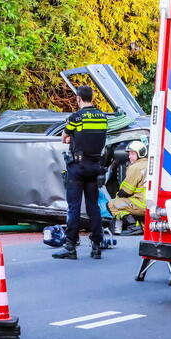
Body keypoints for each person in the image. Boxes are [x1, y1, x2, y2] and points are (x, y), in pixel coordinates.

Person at [53, 85, 108, 260]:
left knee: (74, 207)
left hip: (77, 167)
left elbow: (64, 137)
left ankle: (71, 246)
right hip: (95, 166)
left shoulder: (76, 117)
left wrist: (73, 136)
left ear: (78, 98)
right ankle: (97, 246)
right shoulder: (102, 117)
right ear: (92, 97)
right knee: (94, 206)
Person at [108, 140, 147, 236]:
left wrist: (117, 197)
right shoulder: (150, 164)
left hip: (141, 204)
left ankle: (134, 226)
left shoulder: (135, 167)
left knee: (112, 204)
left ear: (140, 154)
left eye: (133, 154)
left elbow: (126, 191)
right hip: (151, 204)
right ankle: (142, 225)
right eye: (129, 154)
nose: (129, 156)